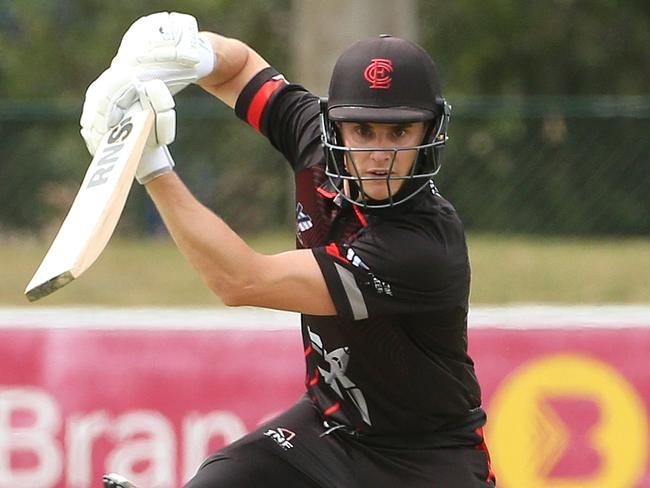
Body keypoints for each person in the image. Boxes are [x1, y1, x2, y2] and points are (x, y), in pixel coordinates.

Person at [84, 12, 496, 488]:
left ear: (428, 132)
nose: (380, 154)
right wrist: (191, 52)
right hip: (331, 428)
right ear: (334, 128)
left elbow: (241, 280)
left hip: (426, 461)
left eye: (400, 131)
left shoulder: (422, 247)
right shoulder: (314, 141)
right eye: (363, 131)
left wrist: (152, 165)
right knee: (218, 480)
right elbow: (240, 70)